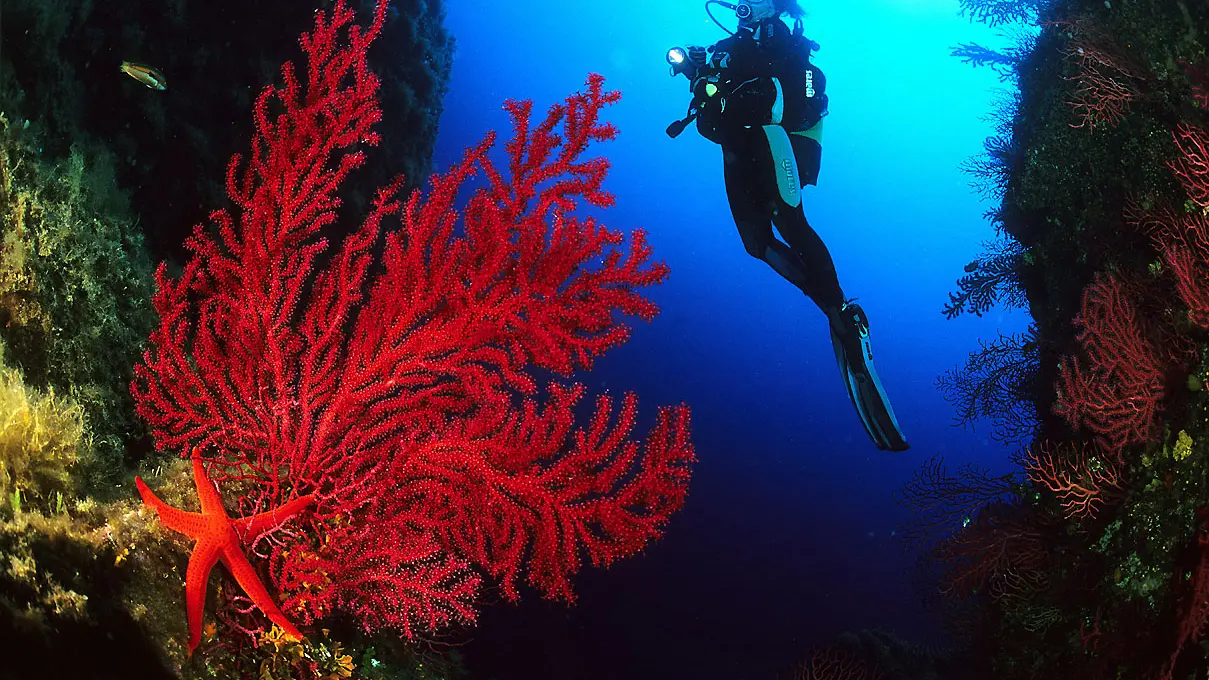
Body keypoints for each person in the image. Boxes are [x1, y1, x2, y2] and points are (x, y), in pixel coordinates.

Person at [670, 0, 909, 450]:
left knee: (789, 220)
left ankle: (840, 307)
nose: (743, 5)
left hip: (775, 139)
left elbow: (793, 104)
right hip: (739, 150)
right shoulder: (728, 48)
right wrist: (698, 73)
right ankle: (834, 313)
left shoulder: (784, 42)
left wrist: (746, 87)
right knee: (756, 243)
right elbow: (709, 122)